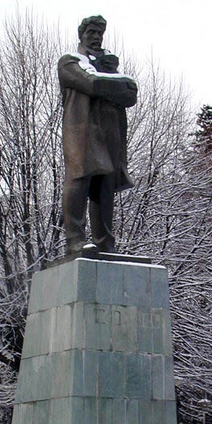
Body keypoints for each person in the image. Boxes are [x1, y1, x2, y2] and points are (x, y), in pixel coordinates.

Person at [58, 15, 138, 254]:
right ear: (81, 35)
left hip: (110, 133)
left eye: (99, 34)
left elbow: (131, 95)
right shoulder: (69, 62)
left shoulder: (107, 68)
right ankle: (75, 240)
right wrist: (118, 84)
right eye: (91, 32)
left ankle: (105, 243)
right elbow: (92, 83)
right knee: (79, 180)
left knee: (105, 187)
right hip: (82, 132)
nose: (96, 38)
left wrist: (115, 82)